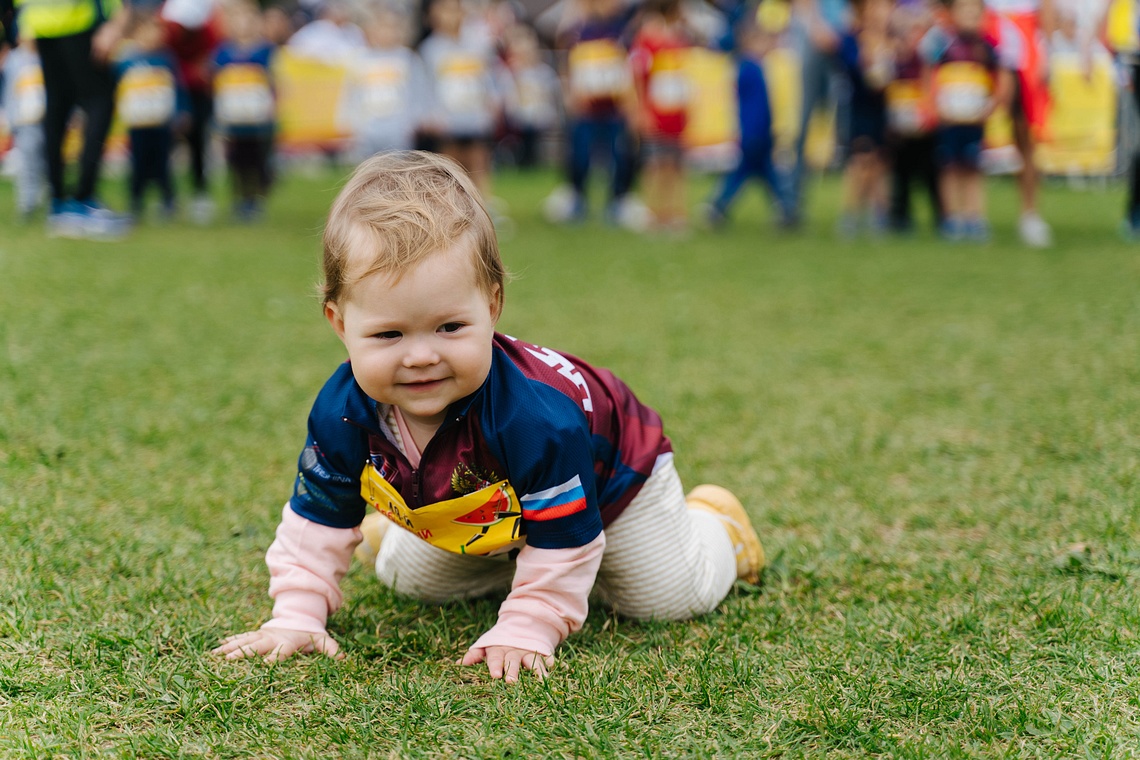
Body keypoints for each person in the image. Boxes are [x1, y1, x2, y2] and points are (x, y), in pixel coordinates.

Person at [213, 151, 766, 681]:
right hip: (490, 509)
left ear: (492, 305)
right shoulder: (343, 411)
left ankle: (719, 527)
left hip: (612, 484)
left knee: (664, 599)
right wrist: (297, 614)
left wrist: (527, 625)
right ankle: (423, 526)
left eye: (450, 327)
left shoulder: (535, 419)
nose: (422, 355)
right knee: (409, 579)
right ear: (339, 324)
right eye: (388, 334)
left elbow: (565, 537)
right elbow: (319, 515)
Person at [14, 0, 135, 239]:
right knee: (99, 102)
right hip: (79, 18)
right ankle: (81, 200)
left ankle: (59, 203)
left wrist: (21, 24)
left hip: (40, 21)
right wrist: (113, 21)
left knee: (57, 109)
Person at [925, 0, 1012, 240]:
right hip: (950, 120)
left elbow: (1002, 77)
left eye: (975, 13)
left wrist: (992, 106)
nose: (970, 18)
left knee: (973, 169)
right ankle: (952, 218)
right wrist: (933, 107)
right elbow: (929, 75)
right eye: (964, 12)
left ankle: (975, 218)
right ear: (952, 14)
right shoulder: (942, 44)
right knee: (950, 168)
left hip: (974, 121)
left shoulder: (987, 47)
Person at [550, 0, 639, 223]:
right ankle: (577, 197)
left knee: (620, 156)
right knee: (579, 156)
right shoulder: (577, 31)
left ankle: (619, 200)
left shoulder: (623, 31)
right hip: (586, 109)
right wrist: (569, 92)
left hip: (614, 107)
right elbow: (565, 59)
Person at [705, 14, 793, 228]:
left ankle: (784, 208)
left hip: (757, 133)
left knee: (756, 174)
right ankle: (785, 209)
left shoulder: (754, 68)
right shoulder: (749, 69)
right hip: (754, 135)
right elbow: (755, 109)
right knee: (757, 175)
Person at [984, 0, 1055, 247]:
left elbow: (1047, 10)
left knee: (1025, 135)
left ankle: (1030, 213)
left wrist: (1047, 52)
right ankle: (966, 213)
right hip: (986, 37)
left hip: (1026, 50)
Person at [418, 0, 501, 200]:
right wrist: (430, 115)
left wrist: (493, 102)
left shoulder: (477, 45)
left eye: (455, 9)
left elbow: (488, 78)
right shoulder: (429, 49)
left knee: (479, 163)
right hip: (446, 122)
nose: (451, 15)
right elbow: (425, 87)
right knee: (448, 168)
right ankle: (451, 207)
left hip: (475, 117)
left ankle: (483, 206)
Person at [629, 0, 696, 231]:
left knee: (675, 165)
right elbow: (638, 72)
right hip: (657, 111)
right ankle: (654, 212)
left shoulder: (681, 36)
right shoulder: (648, 37)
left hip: (676, 113)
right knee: (656, 164)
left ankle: (675, 212)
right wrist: (640, 109)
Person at [114, 11, 185, 221]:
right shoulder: (125, 62)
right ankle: (136, 201)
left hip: (161, 123)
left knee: (163, 164)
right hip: (137, 124)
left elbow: (178, 88)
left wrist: (182, 112)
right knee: (138, 164)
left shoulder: (166, 60)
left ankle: (168, 200)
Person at [212, 0, 276, 221]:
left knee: (259, 160)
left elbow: (274, 81)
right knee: (236, 161)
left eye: (248, 19)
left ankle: (256, 197)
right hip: (234, 121)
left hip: (258, 121)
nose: (243, 24)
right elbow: (217, 83)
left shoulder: (266, 51)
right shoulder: (223, 52)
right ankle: (241, 199)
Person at [161, 0, 223, 225]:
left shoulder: (208, 29)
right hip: (168, 92)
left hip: (198, 95)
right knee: (162, 145)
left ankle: (200, 192)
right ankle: (167, 196)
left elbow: (211, 62)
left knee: (198, 142)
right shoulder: (165, 26)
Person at [884, 0, 943, 233]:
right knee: (901, 174)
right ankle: (900, 218)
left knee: (931, 172)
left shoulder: (927, 59)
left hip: (924, 124)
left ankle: (941, 216)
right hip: (899, 126)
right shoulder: (893, 60)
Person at [341, 4, 428, 160]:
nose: (387, 32)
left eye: (392, 27)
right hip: (367, 130)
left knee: (397, 169)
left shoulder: (407, 59)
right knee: (368, 170)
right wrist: (349, 122)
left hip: (398, 129)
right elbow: (351, 93)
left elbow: (418, 92)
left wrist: (414, 121)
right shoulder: (359, 60)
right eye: (381, 27)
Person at [835, 0, 892, 237]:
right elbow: (851, 68)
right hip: (860, 108)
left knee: (879, 162)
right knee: (861, 159)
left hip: (885, 109)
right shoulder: (853, 39)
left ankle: (879, 214)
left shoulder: (892, 39)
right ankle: (851, 213)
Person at [496, 22, 560, 168]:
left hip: (539, 115)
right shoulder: (508, 72)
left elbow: (549, 94)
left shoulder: (543, 71)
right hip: (518, 119)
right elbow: (508, 98)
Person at [2, 30, 46, 221]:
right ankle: (26, 203)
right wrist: (10, 117)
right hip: (24, 121)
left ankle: (48, 198)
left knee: (46, 161)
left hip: (46, 120)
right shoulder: (14, 60)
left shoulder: (47, 57)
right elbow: (9, 90)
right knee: (27, 162)